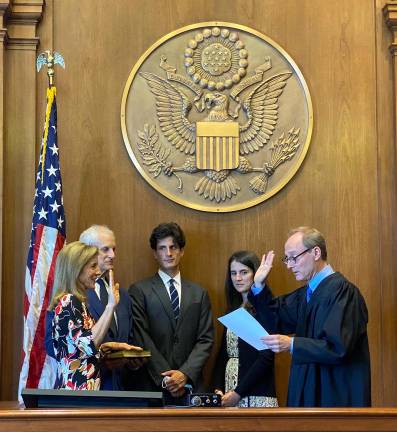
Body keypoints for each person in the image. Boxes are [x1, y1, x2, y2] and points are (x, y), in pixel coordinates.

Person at [250, 226, 371, 407]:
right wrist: (259, 285)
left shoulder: (343, 292)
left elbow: (338, 347)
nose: (289, 265)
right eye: (287, 259)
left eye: (293, 258)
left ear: (315, 252)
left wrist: (291, 344)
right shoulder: (305, 295)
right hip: (307, 393)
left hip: (333, 397)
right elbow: (276, 318)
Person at [46, 225, 141, 390]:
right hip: (76, 395)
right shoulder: (69, 301)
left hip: (88, 392)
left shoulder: (78, 302)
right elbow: (87, 345)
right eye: (92, 266)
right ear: (77, 269)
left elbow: (77, 350)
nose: (97, 272)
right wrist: (111, 306)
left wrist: (110, 347)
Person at [129, 222, 214, 397]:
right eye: (162, 248)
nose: (168, 253)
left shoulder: (199, 293)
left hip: (190, 387)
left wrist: (184, 374)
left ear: (181, 251)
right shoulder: (139, 290)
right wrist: (167, 379)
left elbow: (205, 339)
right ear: (154, 253)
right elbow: (141, 336)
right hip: (152, 386)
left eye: (173, 247)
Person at [213, 251, 278, 407]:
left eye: (244, 272)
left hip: (256, 396)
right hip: (230, 397)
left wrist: (238, 393)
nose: (238, 278)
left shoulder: (265, 306)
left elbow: (266, 357)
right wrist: (218, 388)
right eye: (233, 273)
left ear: (255, 274)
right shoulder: (233, 310)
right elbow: (224, 354)